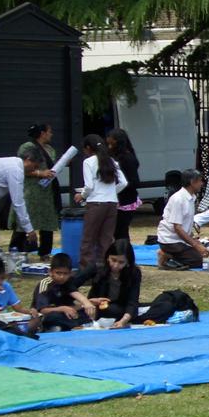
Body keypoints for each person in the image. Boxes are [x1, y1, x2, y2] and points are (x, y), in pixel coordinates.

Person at [74, 134, 128, 269]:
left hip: (96, 203)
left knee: (88, 239)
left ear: (88, 148)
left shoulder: (88, 162)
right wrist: (111, 192)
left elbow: (89, 186)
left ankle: (86, 270)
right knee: (106, 240)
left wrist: (82, 195)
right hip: (111, 204)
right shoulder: (111, 161)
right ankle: (105, 269)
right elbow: (124, 182)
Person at [9, 123, 59, 260]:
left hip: (46, 191)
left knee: (47, 222)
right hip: (30, 190)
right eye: (49, 132)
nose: (51, 134)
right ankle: (17, 250)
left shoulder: (50, 150)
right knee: (24, 220)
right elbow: (21, 168)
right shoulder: (27, 147)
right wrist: (39, 173)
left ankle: (45, 252)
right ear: (42, 133)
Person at [156, 168, 209, 269]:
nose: (201, 184)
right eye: (200, 181)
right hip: (171, 241)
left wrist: (195, 241)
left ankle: (172, 256)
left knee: (206, 254)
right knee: (200, 260)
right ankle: (166, 255)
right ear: (192, 182)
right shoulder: (178, 199)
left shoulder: (191, 197)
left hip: (180, 240)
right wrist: (195, 245)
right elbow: (177, 228)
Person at [83, 239, 142, 328]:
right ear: (108, 257)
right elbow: (71, 284)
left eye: (121, 262)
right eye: (113, 260)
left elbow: (132, 301)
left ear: (128, 262)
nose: (116, 265)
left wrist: (123, 321)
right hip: (97, 307)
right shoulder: (97, 268)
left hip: (122, 308)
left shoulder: (134, 273)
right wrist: (87, 301)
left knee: (163, 307)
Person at [32, 253, 97, 331]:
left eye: (65, 274)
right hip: (48, 313)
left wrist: (87, 303)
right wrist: (62, 308)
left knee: (84, 313)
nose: (62, 277)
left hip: (65, 314)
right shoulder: (45, 284)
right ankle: (68, 326)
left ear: (70, 273)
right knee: (52, 317)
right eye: (58, 273)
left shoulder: (68, 282)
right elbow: (43, 310)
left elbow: (74, 296)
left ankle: (69, 326)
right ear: (50, 272)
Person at [0, 154, 39, 250]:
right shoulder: (16, 171)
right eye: (34, 166)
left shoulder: (11, 163)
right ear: (28, 160)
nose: (34, 170)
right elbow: (18, 203)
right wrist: (29, 230)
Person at [107, 128, 141, 241]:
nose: (109, 145)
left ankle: (125, 255)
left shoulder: (127, 158)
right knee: (119, 232)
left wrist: (118, 188)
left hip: (126, 200)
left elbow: (134, 181)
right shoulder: (117, 156)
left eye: (111, 143)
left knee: (120, 232)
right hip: (120, 198)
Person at [0, 254, 41, 335]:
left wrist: (30, 311)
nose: (0, 282)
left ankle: (20, 332)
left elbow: (18, 308)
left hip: (4, 320)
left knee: (35, 320)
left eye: (2, 278)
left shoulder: (6, 286)